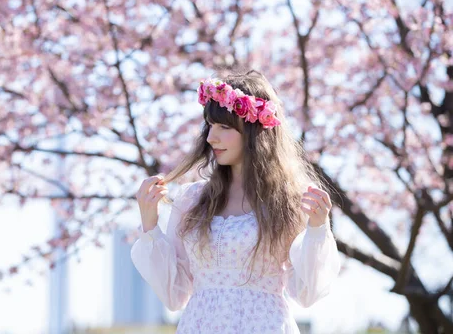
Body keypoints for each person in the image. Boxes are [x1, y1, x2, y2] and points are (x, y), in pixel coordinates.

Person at [131, 70, 341, 333]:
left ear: (254, 132)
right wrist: (150, 226)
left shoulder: (287, 202)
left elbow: (307, 292)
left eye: (224, 127)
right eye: (210, 125)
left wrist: (317, 229)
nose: (210, 138)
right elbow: (175, 295)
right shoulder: (192, 199)